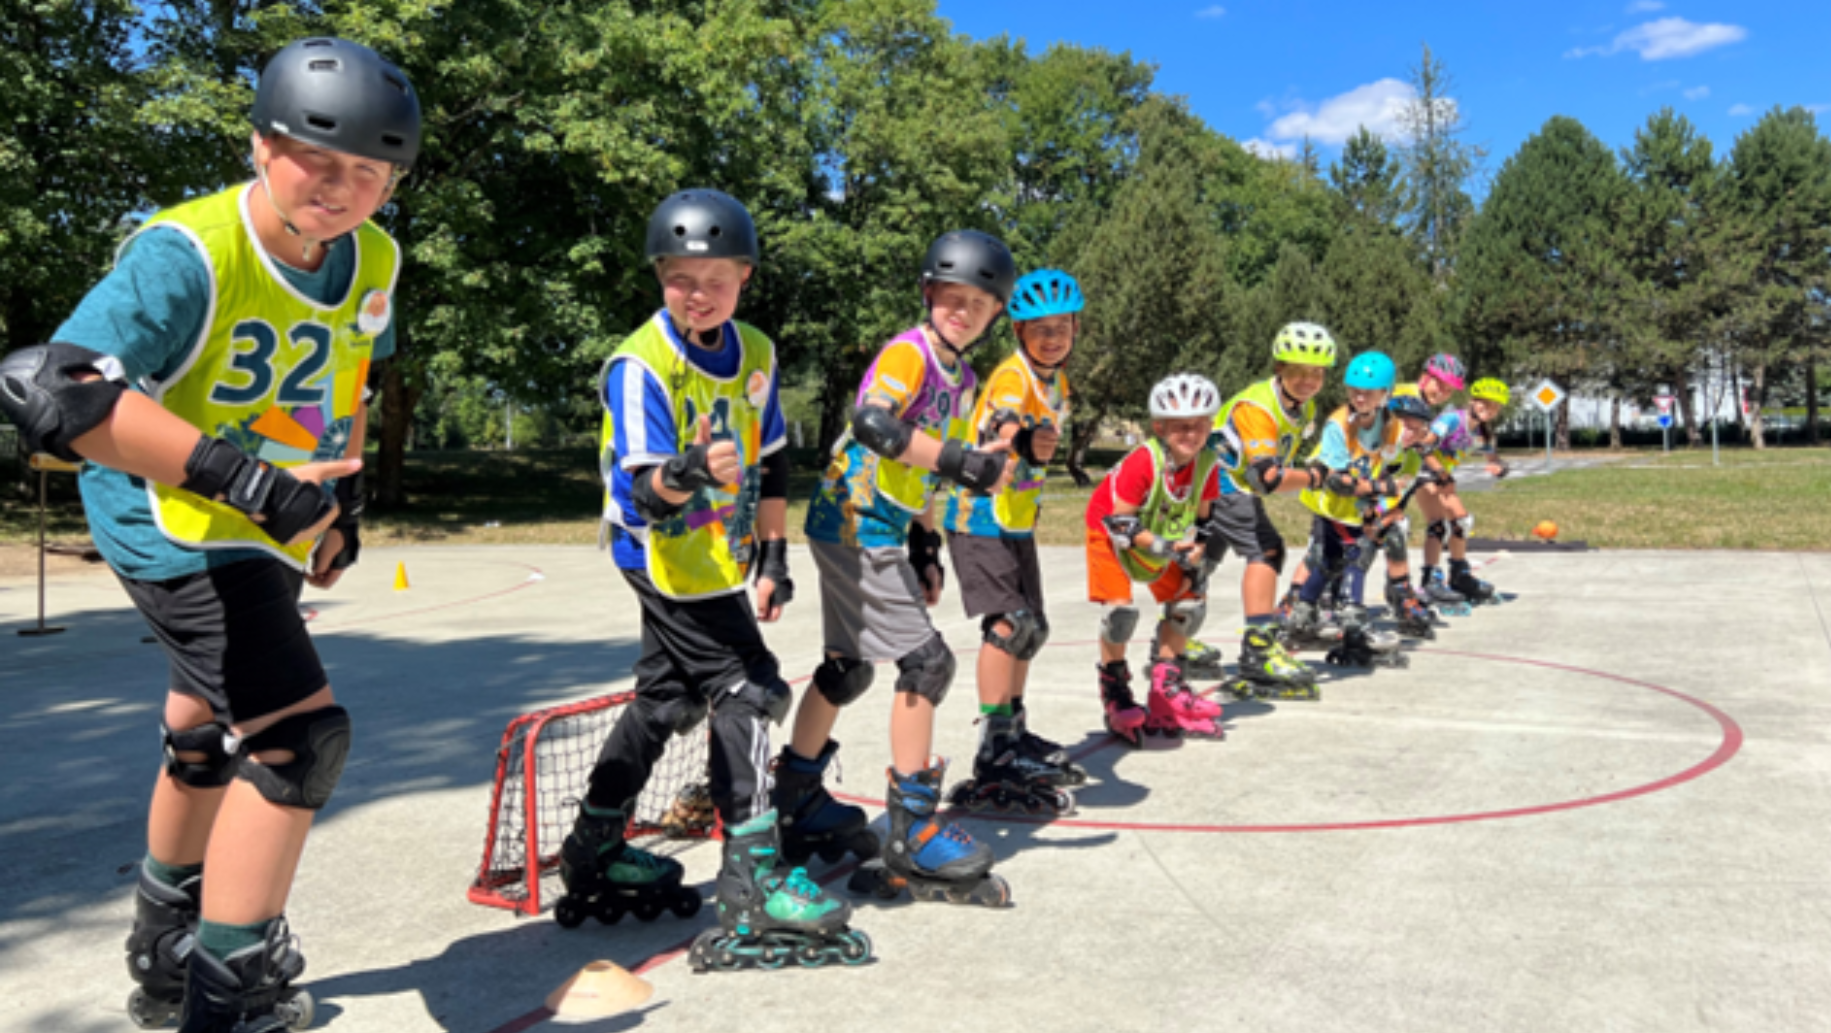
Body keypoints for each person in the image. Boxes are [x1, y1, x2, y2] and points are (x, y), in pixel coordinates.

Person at [0, 37, 416, 1030]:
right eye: (317, 159)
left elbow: (352, 371)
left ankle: (165, 947)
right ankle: (228, 993)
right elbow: (55, 392)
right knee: (298, 740)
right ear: (260, 144)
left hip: (260, 521)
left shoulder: (375, 258)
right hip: (170, 515)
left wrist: (337, 506)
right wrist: (256, 486)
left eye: (369, 171)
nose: (341, 188)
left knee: (202, 724)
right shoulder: (188, 252)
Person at [565, 188, 867, 972]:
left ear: (745, 277)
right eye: (680, 277)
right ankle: (751, 876)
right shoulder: (640, 365)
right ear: (659, 276)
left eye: (716, 278)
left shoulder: (757, 353)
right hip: (660, 552)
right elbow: (640, 490)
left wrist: (773, 554)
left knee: (666, 698)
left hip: (719, 554)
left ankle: (593, 844)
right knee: (750, 689)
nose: (698, 293)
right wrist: (687, 469)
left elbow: (772, 460)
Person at [793, 230, 1017, 908]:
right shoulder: (908, 352)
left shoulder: (966, 378)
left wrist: (926, 543)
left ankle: (795, 796)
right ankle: (912, 829)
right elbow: (873, 424)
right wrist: (957, 461)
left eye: (977, 304)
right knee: (926, 664)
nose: (962, 311)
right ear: (928, 294)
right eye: (951, 298)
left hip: (879, 522)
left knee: (848, 667)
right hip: (854, 520)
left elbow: (924, 466)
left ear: (993, 315)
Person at [941, 269, 1084, 814]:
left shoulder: (1057, 382)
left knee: (1034, 628)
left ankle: (1015, 731)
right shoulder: (1012, 376)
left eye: (1062, 327)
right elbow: (1001, 423)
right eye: (1039, 328)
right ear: (1019, 332)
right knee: (1009, 625)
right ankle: (994, 748)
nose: (1052, 337)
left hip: (1015, 518)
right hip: (978, 516)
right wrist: (1021, 437)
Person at [1084, 374, 1229, 742]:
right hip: (1111, 532)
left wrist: (1196, 551)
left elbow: (1204, 518)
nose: (1191, 434)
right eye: (1181, 426)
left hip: (1160, 535)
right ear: (1159, 427)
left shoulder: (1207, 463)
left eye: (1199, 425)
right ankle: (1116, 692)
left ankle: (1167, 690)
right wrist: (1167, 548)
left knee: (1190, 599)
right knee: (1120, 614)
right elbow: (1121, 524)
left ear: (1211, 424)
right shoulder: (1142, 463)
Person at [1204, 322, 1337, 700]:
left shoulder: (1302, 405)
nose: (1308, 380)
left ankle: (1174, 642)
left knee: (1201, 558)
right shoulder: (1258, 406)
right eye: (1297, 370)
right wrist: (1315, 477)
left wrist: (1322, 469)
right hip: (1223, 482)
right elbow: (1267, 477)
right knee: (1266, 550)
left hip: (1219, 481)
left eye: (1317, 372)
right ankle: (1258, 650)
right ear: (1279, 368)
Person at [1286, 351, 1412, 670]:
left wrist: (1381, 493)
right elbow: (1339, 482)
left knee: (1331, 561)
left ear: (1386, 394)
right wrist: (1382, 490)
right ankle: (1354, 626)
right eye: (1353, 390)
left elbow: (1386, 467)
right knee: (1355, 556)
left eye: (1368, 393)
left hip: (1356, 506)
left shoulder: (1391, 425)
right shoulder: (1337, 424)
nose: (1359, 397)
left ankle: (1301, 617)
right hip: (1332, 502)